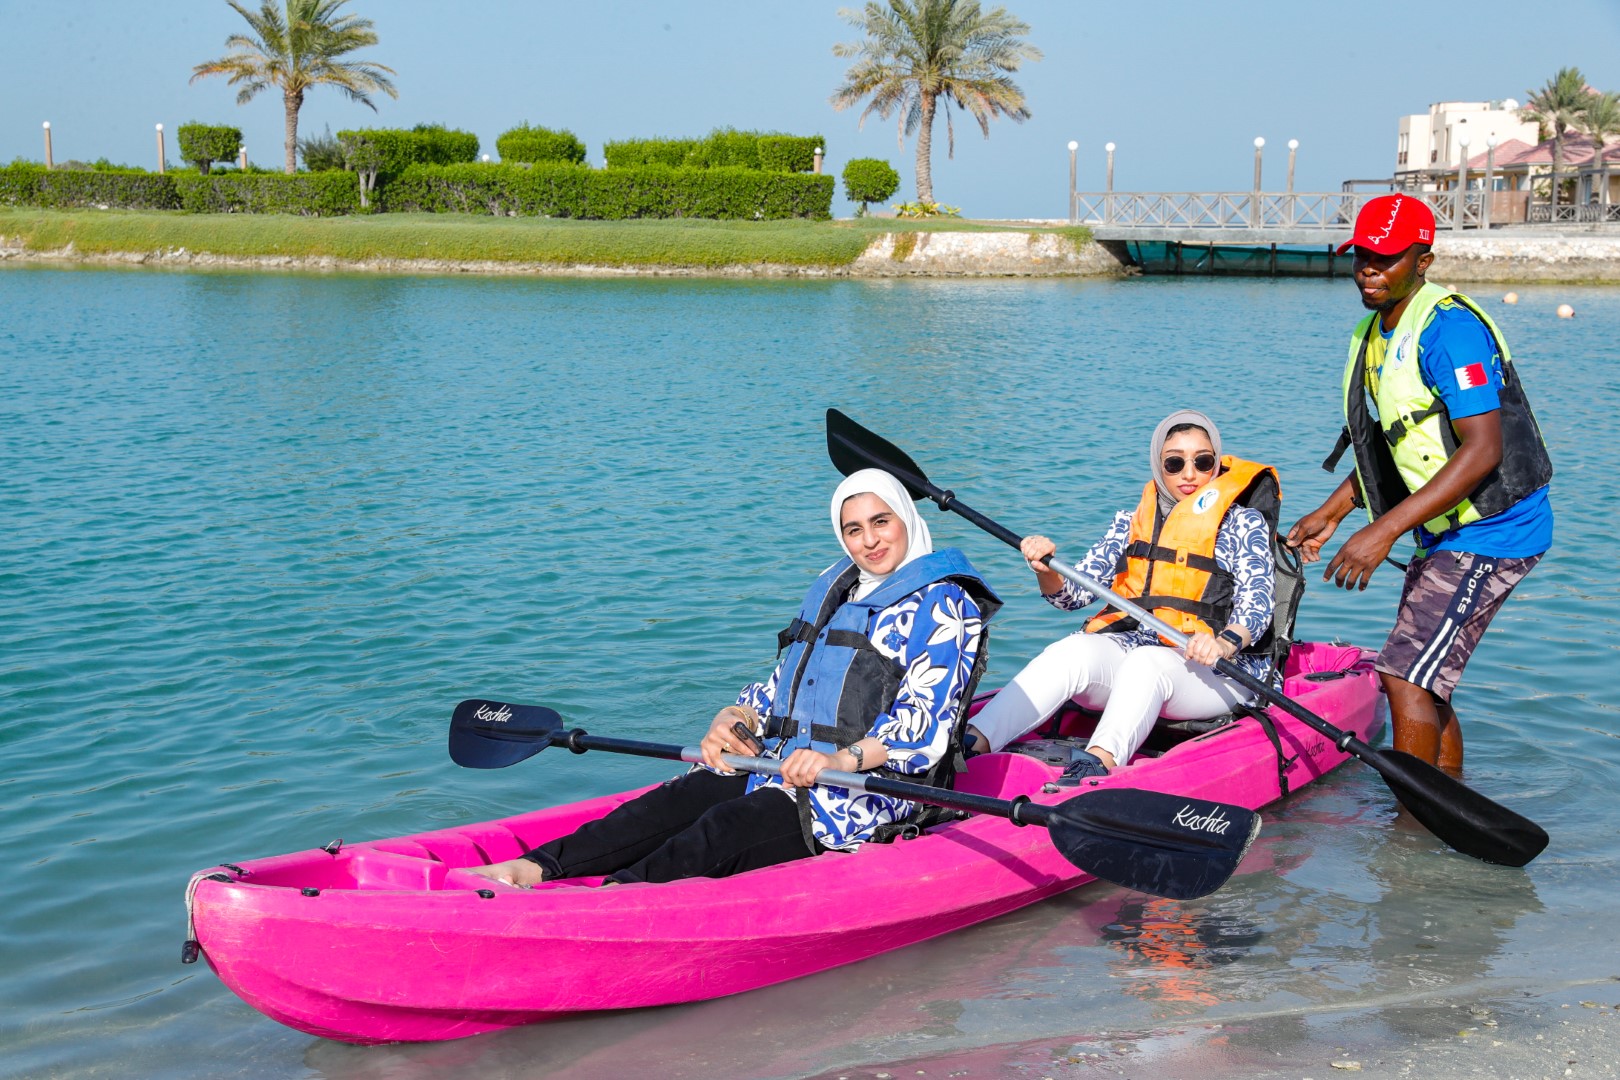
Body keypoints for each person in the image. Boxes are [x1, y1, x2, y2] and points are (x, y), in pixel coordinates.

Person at [468, 468, 1000, 887]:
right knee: (669, 804)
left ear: (906, 517)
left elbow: (924, 726)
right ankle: (531, 869)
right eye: (854, 529)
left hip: (866, 788)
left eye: (881, 522)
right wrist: (735, 716)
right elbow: (785, 684)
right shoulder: (839, 587)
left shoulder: (945, 605)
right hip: (779, 764)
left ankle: (613, 898)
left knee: (720, 830)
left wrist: (839, 760)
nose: (870, 541)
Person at [1286, 194, 1553, 775]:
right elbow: (1400, 440)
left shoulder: (1450, 332)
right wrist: (1333, 511)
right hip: (1444, 530)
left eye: (1386, 258)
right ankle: (1446, 800)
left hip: (1496, 529)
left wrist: (1382, 530)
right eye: (1362, 256)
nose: (1369, 270)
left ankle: (1409, 815)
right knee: (1427, 680)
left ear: (1423, 260)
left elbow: (1483, 449)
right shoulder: (1375, 333)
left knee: (1404, 675)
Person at [965, 410, 1280, 783]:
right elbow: (1070, 598)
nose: (1189, 474)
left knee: (1148, 663)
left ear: (1216, 464)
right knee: (1073, 650)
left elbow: (1258, 604)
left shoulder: (1243, 523)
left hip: (1222, 670)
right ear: (1158, 466)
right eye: (1175, 463)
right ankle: (970, 745)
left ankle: (1094, 768)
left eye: (1202, 462)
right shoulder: (1130, 522)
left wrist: (1224, 643)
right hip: (1141, 650)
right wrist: (1045, 569)